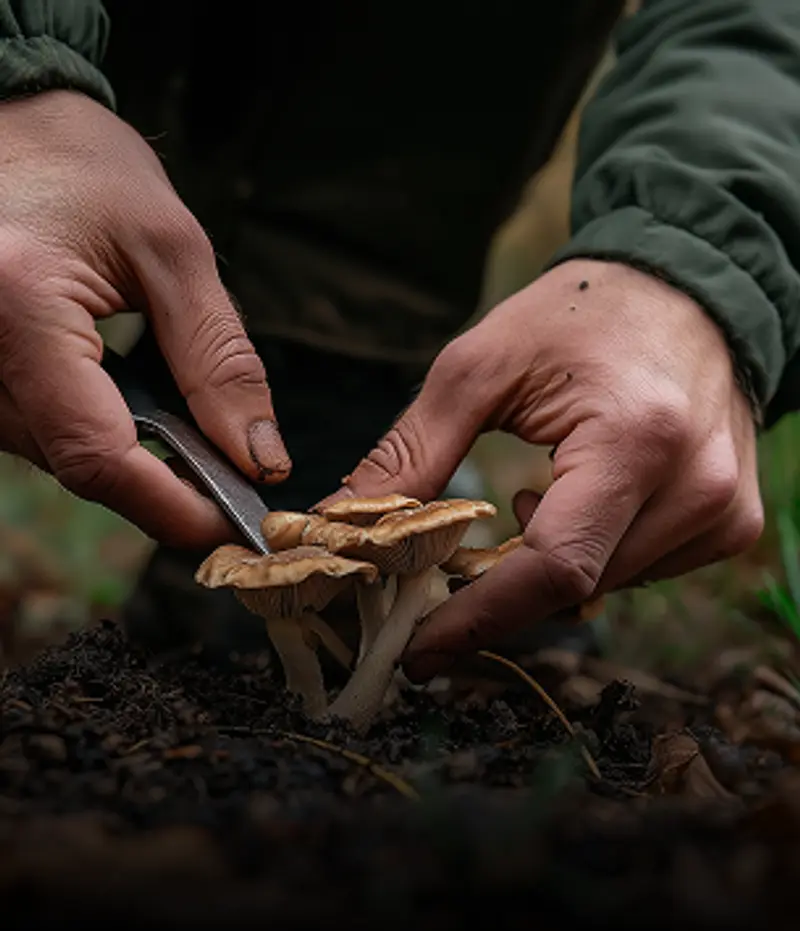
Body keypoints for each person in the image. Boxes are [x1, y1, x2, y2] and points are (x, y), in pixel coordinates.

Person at [0, 1, 798, 679]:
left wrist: (698, 252)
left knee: (303, 636)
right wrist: (16, 79)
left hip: (363, 233)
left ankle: (324, 350)